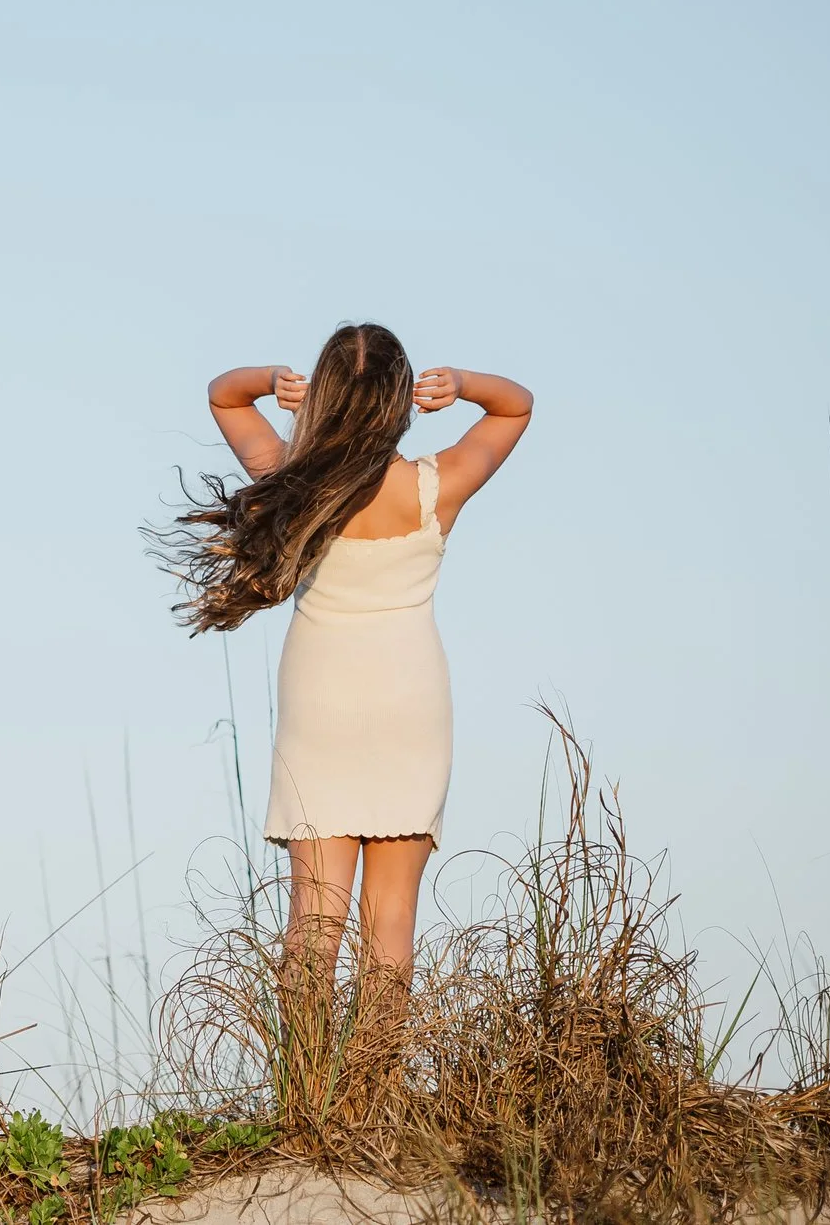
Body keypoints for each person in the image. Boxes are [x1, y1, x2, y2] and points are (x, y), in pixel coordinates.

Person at [154, 321, 531, 1087]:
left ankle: (305, 1095)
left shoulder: (295, 483)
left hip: (319, 703)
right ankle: (371, 1094)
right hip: (410, 704)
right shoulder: (435, 486)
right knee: (390, 921)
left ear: (321, 394)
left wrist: (270, 381)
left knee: (313, 920)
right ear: (402, 401)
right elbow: (516, 407)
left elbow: (223, 396)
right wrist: (463, 386)